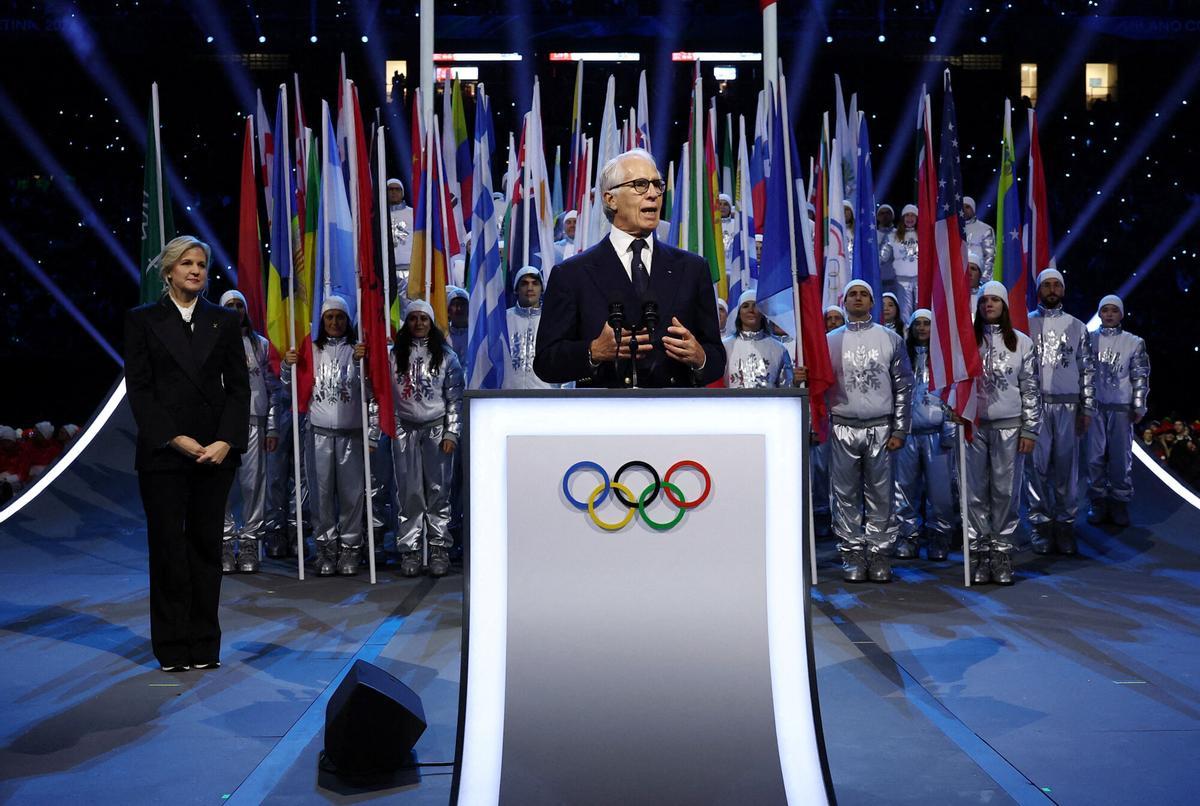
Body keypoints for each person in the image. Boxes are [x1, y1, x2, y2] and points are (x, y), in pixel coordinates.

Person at [124, 235, 249, 672]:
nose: (196, 270)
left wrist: (225, 440)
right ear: (169, 271)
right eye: (186, 263)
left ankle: (204, 645)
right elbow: (139, 390)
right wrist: (172, 437)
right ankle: (172, 647)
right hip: (164, 452)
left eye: (201, 264)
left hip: (214, 452)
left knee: (205, 548)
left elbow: (239, 389)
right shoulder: (142, 320)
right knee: (167, 549)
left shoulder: (223, 322)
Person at [534, 148, 724, 388]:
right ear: (610, 198)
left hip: (673, 417)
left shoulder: (692, 269)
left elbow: (716, 357)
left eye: (657, 185)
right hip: (605, 418)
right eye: (640, 185)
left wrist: (700, 357)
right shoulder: (572, 274)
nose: (653, 194)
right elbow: (545, 362)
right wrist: (592, 351)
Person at [809, 280, 913, 583]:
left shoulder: (890, 339)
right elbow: (817, 385)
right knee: (844, 495)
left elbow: (904, 387)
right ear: (844, 301)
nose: (857, 298)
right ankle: (852, 553)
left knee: (881, 495)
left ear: (872, 302)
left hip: (881, 428)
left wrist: (900, 429)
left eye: (863, 294)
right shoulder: (829, 341)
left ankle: (879, 553)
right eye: (852, 294)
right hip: (842, 427)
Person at [283, 295, 367, 576]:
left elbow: (370, 391)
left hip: (351, 436)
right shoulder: (310, 349)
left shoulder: (357, 351)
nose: (334, 322)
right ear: (321, 321)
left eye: (339, 317)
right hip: (317, 434)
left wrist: (360, 363)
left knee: (351, 496)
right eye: (329, 317)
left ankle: (350, 549)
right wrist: (288, 366)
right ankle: (325, 548)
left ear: (348, 321)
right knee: (320, 496)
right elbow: (290, 389)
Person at [963, 282, 1040, 585]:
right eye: (984, 301)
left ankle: (1002, 552)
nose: (989, 305)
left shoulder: (1021, 343)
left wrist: (1030, 429)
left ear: (1005, 306)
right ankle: (980, 553)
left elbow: (1031, 389)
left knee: (1006, 493)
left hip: (1010, 426)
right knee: (976, 492)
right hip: (975, 427)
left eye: (995, 300)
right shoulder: (967, 342)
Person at [388, 300, 464, 578]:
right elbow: (380, 393)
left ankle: (438, 547)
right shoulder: (394, 356)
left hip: (436, 430)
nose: (418, 323)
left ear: (432, 323)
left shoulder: (446, 357)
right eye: (413, 318)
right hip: (404, 430)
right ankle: (409, 548)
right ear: (406, 323)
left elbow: (455, 399)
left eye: (424, 318)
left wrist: (452, 432)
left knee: (438, 492)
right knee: (408, 493)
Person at [1025, 268, 1096, 555]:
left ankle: (1065, 526)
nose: (1052, 290)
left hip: (1069, 406)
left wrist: (1087, 407)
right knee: (1037, 469)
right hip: (1037, 406)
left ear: (1063, 290)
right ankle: (1041, 526)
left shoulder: (1077, 326)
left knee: (1067, 470)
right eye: (1047, 285)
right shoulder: (1024, 324)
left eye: (1057, 285)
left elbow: (1087, 370)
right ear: (1039, 290)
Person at [218, 290, 279, 574]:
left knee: (254, 486)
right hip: (223, 426)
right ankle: (226, 542)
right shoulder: (211, 344)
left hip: (255, 423)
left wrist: (274, 426)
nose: (235, 309)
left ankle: (251, 542)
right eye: (229, 306)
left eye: (239, 305)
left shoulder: (262, 346)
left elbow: (273, 390)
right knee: (224, 488)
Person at [893, 310, 955, 560]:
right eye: (917, 324)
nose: (921, 328)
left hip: (936, 435)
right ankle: (907, 536)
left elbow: (953, 396)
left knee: (939, 491)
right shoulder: (902, 358)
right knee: (904, 488)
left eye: (927, 323)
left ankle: (939, 536)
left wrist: (949, 430)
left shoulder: (944, 360)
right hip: (907, 433)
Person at [1086, 294, 1150, 527]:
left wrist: (1139, 404)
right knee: (1094, 458)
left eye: (1114, 310)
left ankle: (1119, 501)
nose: (1109, 315)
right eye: (1105, 311)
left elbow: (1140, 375)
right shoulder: (1089, 340)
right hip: (1095, 408)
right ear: (1100, 314)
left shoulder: (1133, 342)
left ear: (1121, 314)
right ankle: (1098, 501)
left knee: (1120, 458)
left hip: (1121, 408)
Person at [722, 289, 795, 388]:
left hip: (769, 403)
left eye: (755, 305)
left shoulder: (779, 349)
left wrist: (796, 381)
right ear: (739, 314)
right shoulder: (725, 346)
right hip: (733, 403)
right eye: (745, 306)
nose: (751, 310)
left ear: (763, 313)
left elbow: (787, 388)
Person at [504, 266, 560, 390]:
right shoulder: (503, 319)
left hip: (545, 396)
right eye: (524, 283)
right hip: (508, 396)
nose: (530, 288)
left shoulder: (553, 320)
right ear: (516, 289)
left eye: (535, 283)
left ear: (542, 289)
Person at [879, 204, 919, 321]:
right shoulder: (893, 235)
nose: (910, 218)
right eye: (907, 215)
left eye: (913, 215)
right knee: (904, 313)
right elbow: (882, 257)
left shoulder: (924, 234)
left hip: (920, 280)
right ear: (902, 218)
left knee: (920, 309)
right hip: (902, 281)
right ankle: (906, 336)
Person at [388, 178, 414, 299]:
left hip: (409, 268)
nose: (393, 192)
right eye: (390, 189)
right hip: (387, 270)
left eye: (397, 189)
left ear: (402, 192)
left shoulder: (413, 214)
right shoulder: (379, 215)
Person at [446, 285, 469, 363]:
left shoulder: (476, 335)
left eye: (463, 304)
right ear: (448, 311)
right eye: (455, 305)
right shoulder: (444, 337)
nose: (459, 308)